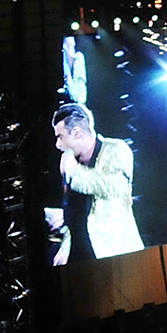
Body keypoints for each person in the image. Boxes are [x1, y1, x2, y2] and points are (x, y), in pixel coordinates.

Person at [48, 102, 143, 264]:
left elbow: (113, 187)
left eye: (60, 137)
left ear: (77, 133)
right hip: (83, 259)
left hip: (119, 256)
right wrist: (65, 247)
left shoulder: (116, 148)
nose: (58, 145)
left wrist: (74, 171)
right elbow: (75, 217)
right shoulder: (73, 164)